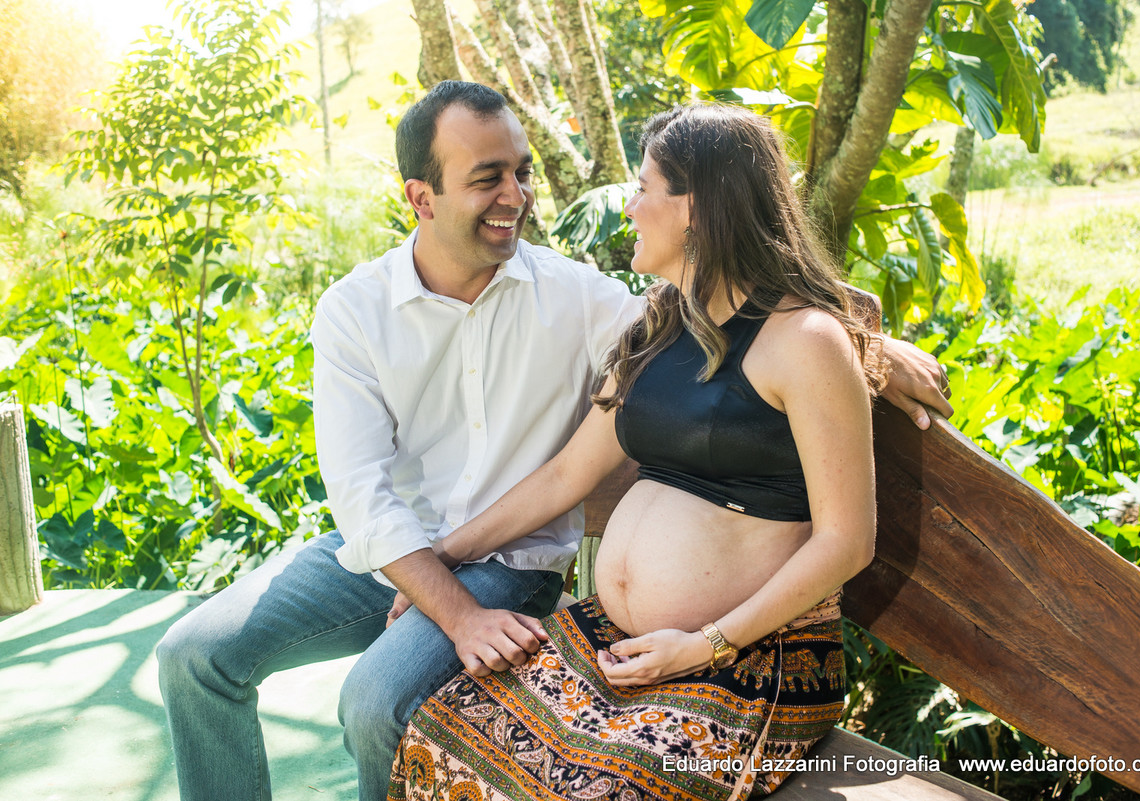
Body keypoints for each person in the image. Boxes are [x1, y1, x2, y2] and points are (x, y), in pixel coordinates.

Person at [156, 82, 950, 801]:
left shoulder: (581, 298)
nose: (519, 195)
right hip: (403, 555)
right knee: (194, 656)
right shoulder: (358, 310)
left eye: (521, 171)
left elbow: (752, 300)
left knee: (381, 705)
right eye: (488, 178)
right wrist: (445, 589)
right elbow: (370, 499)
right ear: (420, 197)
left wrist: (863, 338)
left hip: (558, 590)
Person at [390, 103, 889, 801]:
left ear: (697, 209)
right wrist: (443, 558)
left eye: (645, 189)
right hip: (617, 642)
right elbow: (568, 472)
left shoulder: (804, 341)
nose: (629, 208)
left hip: (746, 659)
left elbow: (847, 540)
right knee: (440, 734)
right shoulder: (660, 323)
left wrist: (709, 640)